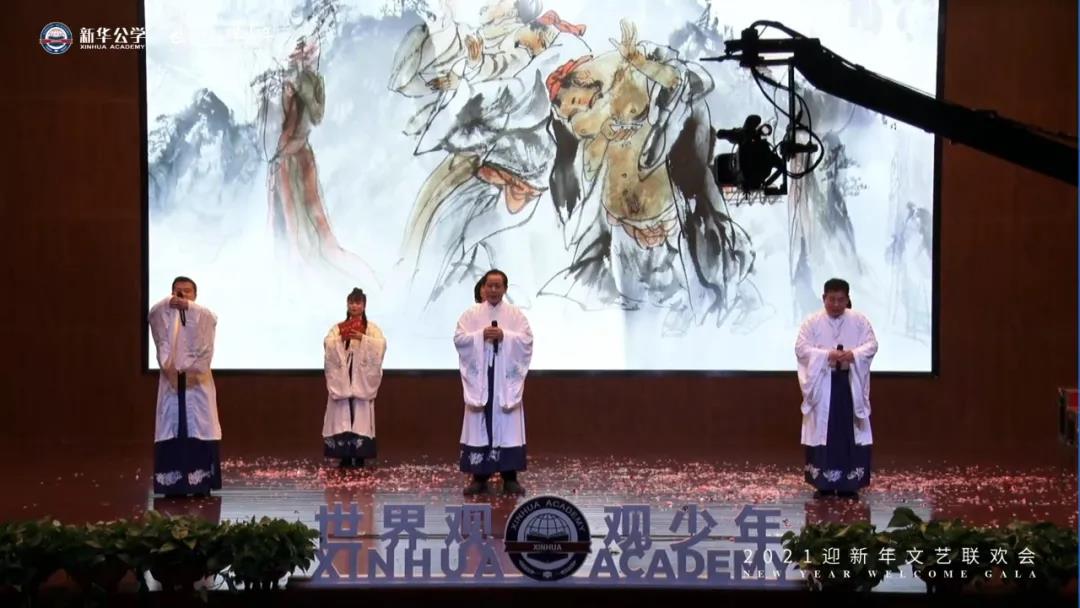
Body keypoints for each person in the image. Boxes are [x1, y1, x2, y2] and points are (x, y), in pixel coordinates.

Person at [795, 278, 878, 498]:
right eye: (831, 299)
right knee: (825, 431)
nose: (835, 304)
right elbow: (801, 349)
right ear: (824, 298)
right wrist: (826, 355)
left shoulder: (859, 320)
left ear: (847, 299)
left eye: (841, 300)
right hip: (823, 384)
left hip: (849, 384)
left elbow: (872, 345)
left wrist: (854, 354)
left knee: (849, 432)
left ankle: (850, 482)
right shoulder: (812, 322)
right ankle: (823, 482)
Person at [453, 269, 533, 495]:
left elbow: (527, 340)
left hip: (503, 380)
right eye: (490, 285)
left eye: (498, 286)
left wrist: (505, 336)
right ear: (484, 288)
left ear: (505, 289)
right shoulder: (471, 315)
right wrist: (480, 335)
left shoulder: (516, 315)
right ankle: (479, 477)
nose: (494, 290)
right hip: (482, 378)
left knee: (506, 424)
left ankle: (510, 477)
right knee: (480, 422)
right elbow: (459, 338)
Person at [148, 276, 221, 497]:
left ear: (195, 295)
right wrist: (168, 303)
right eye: (177, 291)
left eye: (187, 291)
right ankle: (174, 484)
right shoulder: (164, 314)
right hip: (172, 383)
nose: (182, 295)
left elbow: (212, 319)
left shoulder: (202, 314)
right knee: (172, 430)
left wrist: (188, 307)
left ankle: (201, 484)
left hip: (197, 384)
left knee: (199, 428)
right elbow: (153, 314)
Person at [323, 288, 387, 468]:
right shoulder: (338, 328)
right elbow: (327, 342)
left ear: (364, 305)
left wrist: (363, 339)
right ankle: (343, 455)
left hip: (361, 378)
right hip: (343, 377)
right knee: (342, 411)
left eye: (358, 302)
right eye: (351, 302)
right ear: (347, 304)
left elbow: (381, 345)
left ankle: (360, 455)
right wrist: (340, 340)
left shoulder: (371, 329)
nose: (354, 306)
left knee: (360, 412)